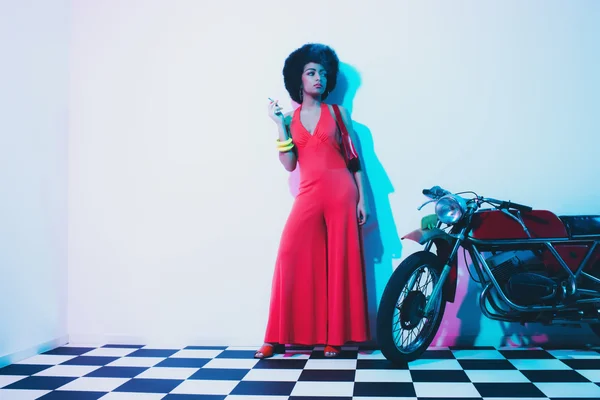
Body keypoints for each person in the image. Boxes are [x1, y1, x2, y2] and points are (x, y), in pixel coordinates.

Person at [255, 43, 370, 359]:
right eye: (311, 72)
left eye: (322, 72)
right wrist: (279, 124)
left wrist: (363, 200)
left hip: (342, 193)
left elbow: (353, 159)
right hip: (309, 193)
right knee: (289, 254)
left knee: (339, 263)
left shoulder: (337, 113)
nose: (318, 78)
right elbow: (290, 164)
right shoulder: (289, 119)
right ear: (299, 79)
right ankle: (277, 337)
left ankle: (335, 337)